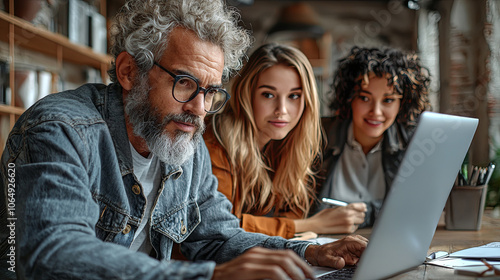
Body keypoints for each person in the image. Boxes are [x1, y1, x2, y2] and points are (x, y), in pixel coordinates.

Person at [0, 1, 368, 279]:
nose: (199, 109)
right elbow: (54, 253)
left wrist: (309, 253)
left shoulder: (182, 145)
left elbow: (219, 237)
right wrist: (209, 276)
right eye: (185, 83)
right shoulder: (59, 130)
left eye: (210, 92)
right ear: (129, 71)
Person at [204, 43, 367, 239]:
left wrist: (298, 230)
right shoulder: (214, 143)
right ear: (247, 94)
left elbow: (291, 210)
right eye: (268, 94)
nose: (282, 109)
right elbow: (219, 225)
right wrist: (311, 224)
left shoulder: (286, 142)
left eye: (294, 96)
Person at [313, 46, 432, 228]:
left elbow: (419, 209)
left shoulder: (415, 143)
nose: (376, 112)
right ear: (348, 98)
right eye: (364, 98)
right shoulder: (317, 136)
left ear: (402, 103)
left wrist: (366, 214)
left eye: (388, 100)